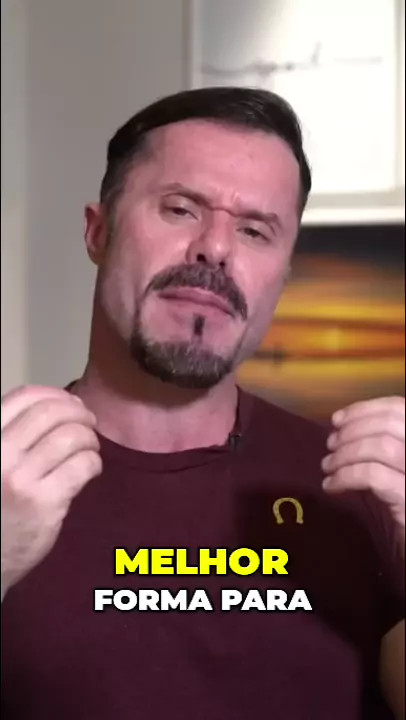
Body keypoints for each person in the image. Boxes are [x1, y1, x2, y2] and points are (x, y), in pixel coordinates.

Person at [1, 87, 404, 720]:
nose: (215, 248)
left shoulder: (363, 489)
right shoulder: (6, 473)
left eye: (254, 230)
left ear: (282, 277)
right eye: (180, 208)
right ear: (98, 231)